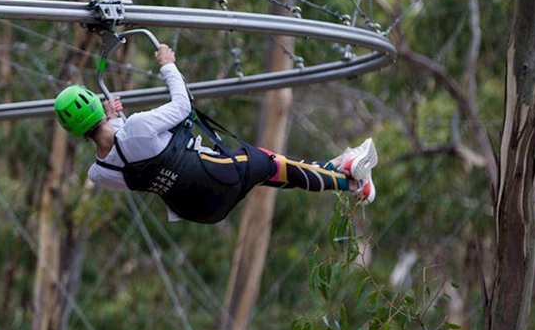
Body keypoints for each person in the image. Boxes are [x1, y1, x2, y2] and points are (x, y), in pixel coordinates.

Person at [55, 43, 377, 224]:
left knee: (265, 172)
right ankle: (346, 176)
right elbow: (182, 105)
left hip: (197, 208)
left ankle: (345, 173)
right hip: (213, 176)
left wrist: (114, 119)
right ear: (97, 108)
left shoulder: (99, 174)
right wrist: (168, 65)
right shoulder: (136, 127)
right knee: (270, 162)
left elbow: (129, 156)